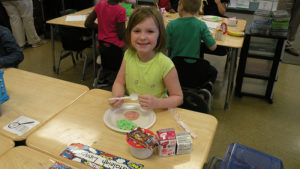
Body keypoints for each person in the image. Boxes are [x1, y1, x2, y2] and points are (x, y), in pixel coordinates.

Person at [109, 7, 183, 110]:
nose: (142, 37)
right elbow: (119, 82)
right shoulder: (128, 54)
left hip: (158, 112)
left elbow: (178, 97)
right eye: (137, 31)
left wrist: (157, 103)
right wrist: (117, 96)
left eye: (150, 31)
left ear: (159, 34)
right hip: (135, 111)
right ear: (129, 33)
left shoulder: (165, 64)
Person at [166, 0, 217, 112]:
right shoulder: (201, 25)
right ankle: (202, 95)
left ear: (181, 6)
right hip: (196, 72)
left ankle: (172, 92)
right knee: (213, 72)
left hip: (175, 70)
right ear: (198, 9)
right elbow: (213, 47)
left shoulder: (171, 25)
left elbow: (165, 46)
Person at [85, 0, 127, 85]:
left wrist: (102, 27)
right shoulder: (121, 10)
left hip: (102, 46)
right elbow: (121, 35)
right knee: (133, 49)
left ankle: (106, 75)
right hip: (116, 49)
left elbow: (87, 23)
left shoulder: (100, 4)